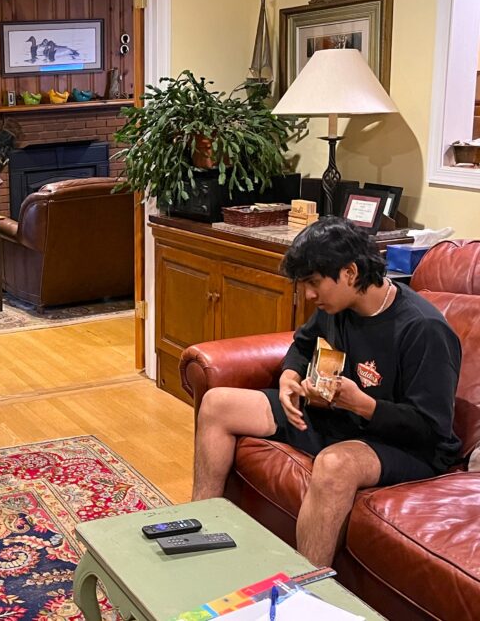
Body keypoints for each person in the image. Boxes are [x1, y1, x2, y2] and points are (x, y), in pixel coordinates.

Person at [191, 217, 461, 566]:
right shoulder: (337, 307)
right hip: (338, 419)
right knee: (217, 404)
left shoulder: (423, 329)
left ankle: (306, 592)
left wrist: (364, 405)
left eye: (315, 283)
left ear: (350, 272)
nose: (309, 295)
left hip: (406, 446)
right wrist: (289, 375)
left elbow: (431, 427)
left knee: (335, 464)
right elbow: (301, 346)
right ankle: (197, 533)